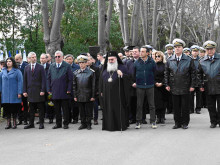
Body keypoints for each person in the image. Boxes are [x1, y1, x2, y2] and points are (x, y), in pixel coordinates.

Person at [165, 38, 196, 129]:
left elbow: (193, 73)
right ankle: (177, 123)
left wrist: (192, 85)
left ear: (182, 48)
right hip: (174, 86)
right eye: (176, 47)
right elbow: (166, 73)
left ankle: (185, 123)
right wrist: (167, 84)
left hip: (185, 86)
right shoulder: (170, 59)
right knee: (176, 107)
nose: (177, 49)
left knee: (185, 106)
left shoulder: (188, 59)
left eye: (179, 47)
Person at [100, 51, 129, 131]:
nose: (110, 61)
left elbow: (129, 79)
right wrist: (101, 91)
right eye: (109, 60)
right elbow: (101, 81)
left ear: (116, 59)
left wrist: (122, 75)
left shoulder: (122, 67)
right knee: (108, 109)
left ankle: (120, 126)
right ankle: (108, 126)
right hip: (107, 94)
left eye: (112, 59)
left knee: (118, 109)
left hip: (119, 93)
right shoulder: (105, 68)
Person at [132, 46, 157, 129]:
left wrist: (153, 82)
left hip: (150, 86)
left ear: (147, 53)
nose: (141, 53)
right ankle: (138, 122)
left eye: (143, 51)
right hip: (140, 86)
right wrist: (134, 82)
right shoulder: (136, 62)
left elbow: (155, 72)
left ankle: (153, 121)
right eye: (140, 51)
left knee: (152, 105)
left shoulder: (152, 62)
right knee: (139, 105)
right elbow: (133, 74)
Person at [47, 50, 73, 129]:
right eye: (56, 57)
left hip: (64, 91)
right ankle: (58, 123)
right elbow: (48, 78)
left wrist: (69, 89)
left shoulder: (67, 65)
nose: (57, 58)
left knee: (65, 109)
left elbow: (70, 79)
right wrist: (49, 89)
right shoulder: (52, 66)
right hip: (54, 91)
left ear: (62, 57)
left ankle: (66, 123)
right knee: (56, 109)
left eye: (59, 56)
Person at [198, 40, 220, 128]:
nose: (209, 51)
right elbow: (198, 74)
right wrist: (201, 84)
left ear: (214, 49)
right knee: (210, 106)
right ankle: (213, 122)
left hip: (219, 85)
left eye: (211, 49)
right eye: (207, 49)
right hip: (208, 86)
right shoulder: (202, 61)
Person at [23, 52, 46, 129]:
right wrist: (24, 91)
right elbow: (25, 80)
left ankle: (41, 123)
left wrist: (43, 90)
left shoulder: (40, 67)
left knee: (41, 108)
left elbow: (43, 79)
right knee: (31, 109)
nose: (34, 58)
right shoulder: (26, 68)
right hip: (30, 92)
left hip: (39, 91)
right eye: (32, 57)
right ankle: (31, 123)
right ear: (29, 59)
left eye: (35, 57)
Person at [73, 55, 96, 130]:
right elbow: (74, 85)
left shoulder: (91, 72)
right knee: (81, 111)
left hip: (88, 94)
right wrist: (75, 96)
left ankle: (89, 124)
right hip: (79, 94)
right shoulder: (76, 73)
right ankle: (83, 124)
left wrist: (93, 96)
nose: (81, 64)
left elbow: (93, 85)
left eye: (83, 63)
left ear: (86, 63)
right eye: (80, 63)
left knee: (88, 111)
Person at [0, 57, 23, 129]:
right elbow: (0, 82)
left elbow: (20, 82)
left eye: (10, 61)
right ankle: (8, 123)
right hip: (5, 94)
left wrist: (19, 92)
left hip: (14, 93)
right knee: (7, 109)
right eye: (7, 61)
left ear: (13, 62)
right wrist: (0, 91)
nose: (8, 63)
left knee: (14, 109)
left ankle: (14, 123)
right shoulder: (2, 71)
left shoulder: (17, 71)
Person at [64, 54, 80, 124]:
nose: (68, 60)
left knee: (75, 105)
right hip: (66, 88)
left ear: (72, 60)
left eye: (70, 59)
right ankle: (68, 118)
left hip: (74, 88)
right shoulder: (63, 67)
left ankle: (75, 118)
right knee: (67, 105)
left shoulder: (77, 67)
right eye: (67, 59)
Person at [15, 54, 29, 125]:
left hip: (24, 88)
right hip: (17, 89)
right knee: (18, 105)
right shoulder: (15, 67)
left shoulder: (26, 65)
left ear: (20, 58)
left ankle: (25, 119)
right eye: (15, 59)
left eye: (17, 59)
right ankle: (20, 119)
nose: (16, 61)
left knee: (25, 105)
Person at [154, 51, 167, 124]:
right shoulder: (153, 65)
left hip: (163, 86)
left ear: (162, 57)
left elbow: (166, 75)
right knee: (156, 102)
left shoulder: (165, 65)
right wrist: (155, 83)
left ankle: (162, 117)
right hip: (155, 86)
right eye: (156, 56)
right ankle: (158, 117)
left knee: (163, 102)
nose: (157, 57)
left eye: (159, 56)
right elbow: (151, 75)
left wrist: (162, 83)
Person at [189, 45, 202, 114]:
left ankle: (198, 108)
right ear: (191, 52)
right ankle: (191, 109)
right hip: (191, 80)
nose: (195, 52)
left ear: (198, 52)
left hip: (199, 80)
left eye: (196, 51)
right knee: (190, 95)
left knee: (199, 95)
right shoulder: (189, 59)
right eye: (194, 51)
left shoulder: (201, 60)